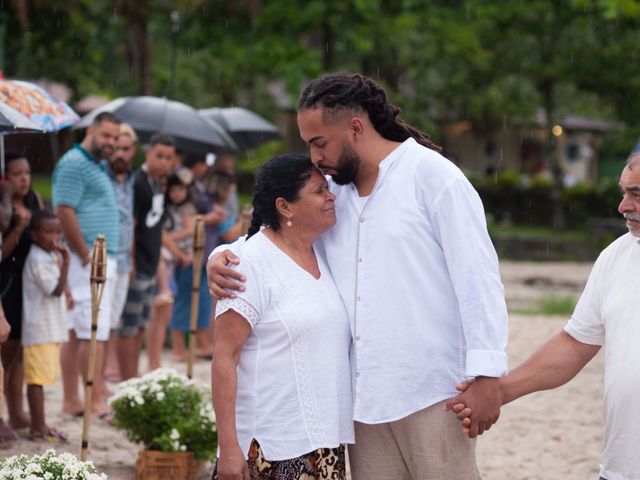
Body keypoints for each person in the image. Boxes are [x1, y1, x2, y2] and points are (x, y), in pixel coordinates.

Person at [208, 73, 508, 480]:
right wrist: (220, 256)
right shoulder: (333, 194)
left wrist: (488, 375)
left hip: (434, 393)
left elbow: (479, 279)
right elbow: (273, 234)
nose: (314, 157)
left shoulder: (434, 178)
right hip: (360, 405)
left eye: (319, 143)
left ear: (355, 128)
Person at [449, 154, 640, 480]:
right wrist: (501, 391)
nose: (623, 206)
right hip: (621, 468)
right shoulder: (617, 256)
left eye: (636, 194)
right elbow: (575, 344)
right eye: (624, 193)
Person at [211, 154, 353, 480]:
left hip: (325, 442)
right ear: (285, 207)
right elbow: (224, 357)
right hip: (268, 445)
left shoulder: (327, 253)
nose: (331, 196)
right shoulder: (248, 264)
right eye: (319, 191)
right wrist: (229, 448)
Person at [52, 111, 120, 418]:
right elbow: (64, 211)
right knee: (89, 330)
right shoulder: (73, 163)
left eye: (115, 138)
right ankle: (88, 401)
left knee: (85, 330)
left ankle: (76, 399)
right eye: (106, 135)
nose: (111, 143)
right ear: (90, 131)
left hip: (99, 258)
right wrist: (83, 254)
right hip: (88, 259)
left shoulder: (95, 165)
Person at [118, 134, 175, 379]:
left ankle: (134, 377)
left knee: (141, 323)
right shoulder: (139, 183)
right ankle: (127, 378)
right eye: (159, 156)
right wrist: (131, 261)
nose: (163, 162)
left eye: (168, 158)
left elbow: (157, 228)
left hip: (151, 264)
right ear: (147, 154)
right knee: (129, 327)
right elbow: (131, 225)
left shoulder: (157, 184)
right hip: (138, 263)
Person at [0, 152, 44, 432]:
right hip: (4, 282)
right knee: (4, 354)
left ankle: (16, 413)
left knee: (17, 354)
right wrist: (17, 227)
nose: (24, 179)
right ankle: (3, 416)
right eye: (17, 174)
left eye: (26, 172)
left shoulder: (33, 202)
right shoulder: (5, 211)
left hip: (25, 285)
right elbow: (1, 255)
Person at [21, 210, 71, 443]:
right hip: (39, 329)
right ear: (34, 235)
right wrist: (67, 262)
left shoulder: (48, 255)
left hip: (49, 328)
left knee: (42, 377)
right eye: (49, 232)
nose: (55, 237)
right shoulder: (37, 258)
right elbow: (55, 290)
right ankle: (37, 426)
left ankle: (40, 424)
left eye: (58, 232)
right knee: (36, 381)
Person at [104, 122, 137, 382]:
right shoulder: (102, 176)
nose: (120, 154)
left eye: (125, 149)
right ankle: (102, 369)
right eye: (116, 148)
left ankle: (110, 365)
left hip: (125, 257)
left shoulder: (131, 180)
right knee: (101, 319)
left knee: (115, 317)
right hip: (106, 255)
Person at [160, 170, 196, 361]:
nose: (177, 193)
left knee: (181, 303)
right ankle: (178, 349)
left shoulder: (186, 209)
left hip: (183, 257)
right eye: (173, 189)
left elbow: (190, 230)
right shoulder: (167, 209)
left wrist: (165, 238)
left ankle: (181, 349)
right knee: (179, 304)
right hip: (175, 258)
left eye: (181, 189)